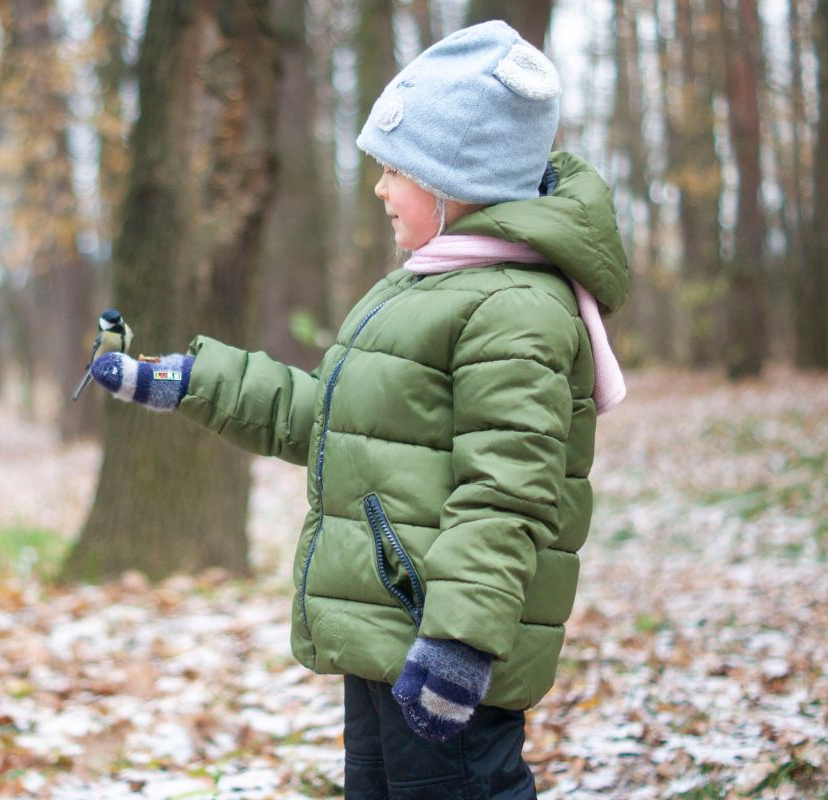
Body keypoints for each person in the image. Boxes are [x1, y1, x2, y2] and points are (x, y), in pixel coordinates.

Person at [89, 20, 629, 800]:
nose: (379, 188)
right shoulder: (430, 285)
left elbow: (507, 494)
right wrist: (190, 380)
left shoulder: (514, 310)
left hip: (440, 644)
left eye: (394, 169)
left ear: (454, 176)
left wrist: (458, 644)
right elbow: (340, 422)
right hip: (389, 633)